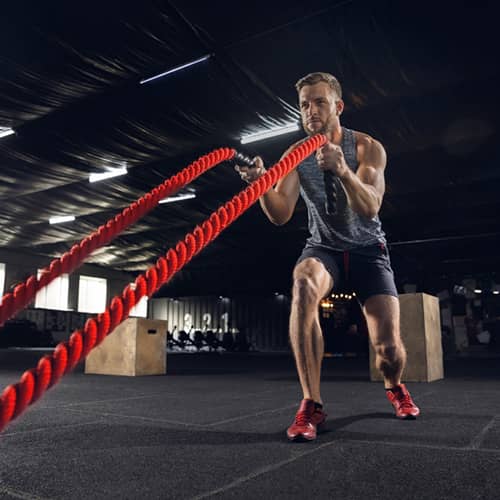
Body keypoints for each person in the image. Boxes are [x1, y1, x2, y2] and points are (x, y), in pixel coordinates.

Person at [236, 72, 420, 442]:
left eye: (319, 102)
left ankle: (395, 386)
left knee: (388, 349)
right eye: (304, 104)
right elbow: (280, 213)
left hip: (369, 250)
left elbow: (370, 207)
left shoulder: (368, 148)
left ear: (337, 106)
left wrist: (341, 170)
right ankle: (311, 403)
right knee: (303, 282)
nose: (311, 110)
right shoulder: (295, 155)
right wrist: (258, 185)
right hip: (325, 249)